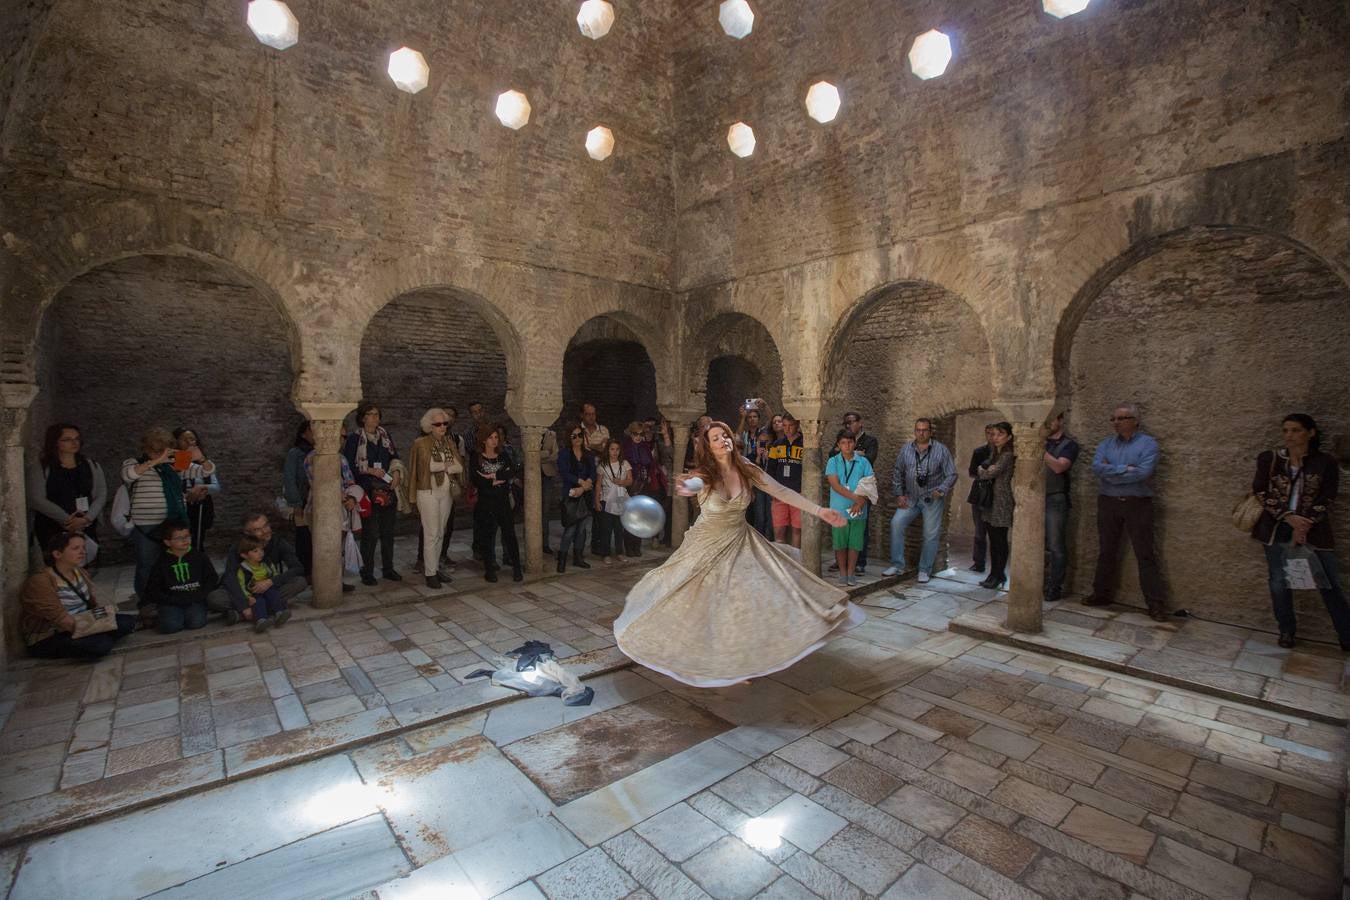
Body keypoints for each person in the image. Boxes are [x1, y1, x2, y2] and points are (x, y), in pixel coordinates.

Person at [613, 421, 863, 687]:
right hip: (706, 546)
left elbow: (781, 491)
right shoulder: (706, 473)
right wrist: (689, 487)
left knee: (744, 602)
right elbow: (697, 482)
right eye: (716, 438)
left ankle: (742, 660)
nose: (723, 441)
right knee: (695, 601)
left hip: (740, 541)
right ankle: (705, 655)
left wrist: (819, 511)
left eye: (726, 435)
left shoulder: (746, 468)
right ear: (708, 447)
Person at [1251, 414, 1349, 650]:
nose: (1289, 436)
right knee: (1278, 582)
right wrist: (1289, 518)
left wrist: (1304, 524)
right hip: (1278, 527)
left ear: (1311, 433)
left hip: (1314, 530)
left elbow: (1327, 497)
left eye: (1295, 430)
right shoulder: (1270, 459)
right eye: (1286, 430)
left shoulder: (1324, 462)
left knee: (1328, 582)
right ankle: (1286, 630)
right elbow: (1261, 491)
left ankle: (1346, 635)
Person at [1084, 402, 1166, 621]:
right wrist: (1124, 469)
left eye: (1121, 418)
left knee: (1145, 554)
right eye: (1114, 419)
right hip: (1108, 502)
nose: (1116, 423)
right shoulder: (1106, 444)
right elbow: (1097, 468)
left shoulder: (1148, 444)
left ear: (1135, 421)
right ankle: (1101, 594)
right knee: (1106, 551)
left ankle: (1155, 603)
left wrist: (1113, 472)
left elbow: (1144, 472)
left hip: (1137, 503)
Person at [122, 427, 207, 601]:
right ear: (146, 448)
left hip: (173, 523)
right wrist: (157, 461)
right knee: (146, 565)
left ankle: (172, 598)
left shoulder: (175, 463)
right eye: (155, 450)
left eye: (163, 449)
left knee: (173, 563)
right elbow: (129, 475)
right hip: (146, 526)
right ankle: (147, 603)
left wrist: (202, 459)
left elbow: (205, 472)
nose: (160, 453)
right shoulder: (134, 462)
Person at [22, 531, 136, 659]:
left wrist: (103, 619)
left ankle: (97, 639)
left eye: (83, 548)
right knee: (100, 645)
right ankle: (95, 641)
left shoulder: (79, 572)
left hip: (84, 618)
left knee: (127, 621)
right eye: (76, 548)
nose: (82, 552)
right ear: (57, 554)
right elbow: (62, 620)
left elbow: (91, 605)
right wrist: (98, 627)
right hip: (55, 632)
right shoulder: (41, 581)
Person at [883, 418, 957, 583]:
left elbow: (952, 474)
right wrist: (899, 494)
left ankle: (924, 570)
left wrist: (942, 489)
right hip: (910, 497)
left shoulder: (941, 450)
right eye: (918, 430)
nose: (921, 433)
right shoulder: (906, 449)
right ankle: (897, 564)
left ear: (930, 432)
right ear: (914, 431)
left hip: (931, 498)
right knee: (896, 523)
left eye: (924, 430)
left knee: (930, 534)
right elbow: (897, 472)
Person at [343, 401, 402, 586]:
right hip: (368, 489)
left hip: (386, 489)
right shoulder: (355, 439)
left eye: (377, 414)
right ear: (362, 418)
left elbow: (394, 457)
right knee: (371, 533)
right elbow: (349, 465)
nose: (375, 417)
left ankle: (388, 568)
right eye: (370, 414)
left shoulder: (384, 436)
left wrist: (397, 472)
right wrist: (368, 470)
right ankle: (367, 571)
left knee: (388, 531)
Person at [214, 511, 309, 625]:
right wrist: (243, 604)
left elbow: (297, 568)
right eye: (258, 529)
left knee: (300, 582)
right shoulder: (239, 547)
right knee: (215, 598)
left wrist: (270, 581)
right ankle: (275, 608)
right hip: (247, 592)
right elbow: (230, 577)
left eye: (266, 525)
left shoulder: (278, 542)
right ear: (247, 533)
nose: (265, 531)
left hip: (270, 589)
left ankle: (243, 615)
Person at [407, 407, 466, 589]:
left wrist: (443, 466)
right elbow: (427, 468)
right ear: (429, 426)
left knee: (441, 532)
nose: (442, 427)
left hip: (445, 492)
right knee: (431, 533)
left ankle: (436, 568)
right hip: (427, 492)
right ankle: (430, 573)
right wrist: (445, 465)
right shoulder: (421, 443)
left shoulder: (449, 442)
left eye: (445, 423)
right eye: (438, 424)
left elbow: (459, 467)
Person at [27, 423, 106, 556]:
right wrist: (66, 520)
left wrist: (87, 519)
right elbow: (36, 498)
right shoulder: (41, 467)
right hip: (52, 525)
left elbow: (101, 493)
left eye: (77, 438)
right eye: (67, 439)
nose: (74, 443)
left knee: (82, 564)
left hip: (85, 524)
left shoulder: (91, 465)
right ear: (55, 442)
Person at [305, 425, 356, 593]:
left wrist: (351, 498)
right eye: (340, 437)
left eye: (344, 437)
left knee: (338, 548)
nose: (342, 441)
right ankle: (322, 585)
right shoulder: (313, 457)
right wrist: (341, 495)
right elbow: (320, 484)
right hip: (319, 509)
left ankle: (336, 581)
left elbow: (349, 481)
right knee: (323, 548)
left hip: (341, 509)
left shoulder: (342, 458)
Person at [144, 520, 217, 634]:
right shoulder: (162, 561)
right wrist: (169, 600)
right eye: (179, 538)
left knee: (196, 623)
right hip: (171, 601)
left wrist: (201, 594)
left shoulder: (199, 556)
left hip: (194, 598)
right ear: (168, 542)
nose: (185, 540)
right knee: (171, 627)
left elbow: (211, 577)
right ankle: (159, 616)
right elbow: (153, 588)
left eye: (187, 536)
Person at [830, 413, 881, 573]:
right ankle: (841, 565)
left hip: (861, 495)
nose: (848, 425)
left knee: (859, 533)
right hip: (841, 501)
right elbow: (832, 455)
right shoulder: (835, 459)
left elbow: (870, 459)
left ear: (860, 423)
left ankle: (860, 563)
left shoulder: (870, 441)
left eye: (852, 422)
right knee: (840, 537)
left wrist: (860, 500)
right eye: (846, 423)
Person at [472, 426, 522, 582]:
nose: (494, 440)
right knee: (487, 535)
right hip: (486, 501)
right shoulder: (476, 456)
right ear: (483, 439)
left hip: (503, 500)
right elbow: (475, 478)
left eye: (496, 437)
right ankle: (489, 568)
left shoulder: (503, 454)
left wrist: (494, 475)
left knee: (509, 534)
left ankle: (517, 567)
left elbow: (512, 470)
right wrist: (492, 483)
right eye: (491, 437)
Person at [825, 429, 873, 586]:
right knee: (840, 543)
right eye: (843, 443)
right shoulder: (833, 461)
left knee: (855, 543)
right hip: (839, 509)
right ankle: (842, 573)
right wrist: (855, 498)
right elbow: (835, 485)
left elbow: (869, 484)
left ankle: (851, 573)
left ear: (854, 443)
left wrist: (860, 503)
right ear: (838, 445)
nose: (847, 445)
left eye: (850, 442)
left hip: (859, 510)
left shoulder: (863, 462)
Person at [974, 422, 1016, 590]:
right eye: (994, 434)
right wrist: (984, 469)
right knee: (993, 538)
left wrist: (982, 470)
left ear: (1009, 437)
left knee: (1000, 539)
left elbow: (988, 471)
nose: (996, 437)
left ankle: (999, 574)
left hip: (1001, 500)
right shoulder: (994, 452)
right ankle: (994, 573)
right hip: (991, 499)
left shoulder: (1007, 454)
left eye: (1000, 434)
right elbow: (985, 467)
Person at [1043, 412, 1080, 602]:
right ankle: (1037, 582)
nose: (1047, 423)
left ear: (1060, 420)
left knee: (1056, 545)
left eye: (1051, 419)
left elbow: (1059, 467)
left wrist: (1037, 448)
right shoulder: (1044, 442)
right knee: (1037, 544)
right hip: (1035, 498)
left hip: (1055, 499)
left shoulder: (1069, 445)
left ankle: (1054, 586)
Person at [173, 427, 221, 551]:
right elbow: (177, 478)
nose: (190, 443)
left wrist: (202, 487)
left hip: (200, 508)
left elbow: (216, 487)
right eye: (184, 440)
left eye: (192, 439)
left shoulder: (205, 464)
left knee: (197, 542)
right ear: (176, 442)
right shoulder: (171, 462)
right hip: (180, 508)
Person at [234, 534, 294, 632]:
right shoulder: (243, 569)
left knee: (274, 594)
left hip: (269, 589)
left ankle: (279, 613)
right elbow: (241, 585)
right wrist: (248, 597)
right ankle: (261, 621)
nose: (260, 553)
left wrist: (272, 582)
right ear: (244, 555)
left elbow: (275, 575)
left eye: (261, 550)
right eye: (255, 551)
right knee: (259, 602)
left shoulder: (267, 563)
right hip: (254, 593)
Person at [557, 424, 597, 573]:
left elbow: (593, 473)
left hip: (585, 494)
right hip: (571, 494)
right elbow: (564, 472)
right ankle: (561, 560)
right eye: (574, 436)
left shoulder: (588, 454)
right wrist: (581, 483)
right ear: (569, 437)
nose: (577, 438)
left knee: (582, 529)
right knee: (570, 528)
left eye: (580, 435)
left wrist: (585, 486)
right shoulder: (564, 453)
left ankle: (578, 558)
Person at [767, 414, 805, 548]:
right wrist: (772, 491)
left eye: (791, 425)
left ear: (798, 425)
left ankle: (795, 562)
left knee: (797, 529)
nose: (787, 429)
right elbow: (770, 470)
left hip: (798, 493)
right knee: (779, 530)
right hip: (780, 493)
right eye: (785, 426)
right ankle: (782, 561)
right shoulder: (777, 445)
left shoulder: (805, 444)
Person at [283, 420, 315, 577]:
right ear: (303, 433)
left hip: (317, 500)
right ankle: (305, 571)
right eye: (312, 429)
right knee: (304, 538)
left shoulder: (318, 451)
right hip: (302, 500)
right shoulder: (295, 453)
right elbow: (289, 479)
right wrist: (296, 503)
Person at [595, 438, 634, 565]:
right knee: (606, 528)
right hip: (606, 498)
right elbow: (598, 484)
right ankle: (605, 554)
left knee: (619, 527)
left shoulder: (625, 464)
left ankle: (619, 552)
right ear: (608, 450)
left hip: (620, 498)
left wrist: (621, 482)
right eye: (612, 449)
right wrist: (597, 500)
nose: (615, 452)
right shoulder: (603, 465)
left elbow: (630, 480)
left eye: (617, 449)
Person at [965, 424, 995, 574]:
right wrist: (983, 474)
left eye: (993, 433)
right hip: (979, 494)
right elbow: (972, 472)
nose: (991, 436)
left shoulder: (1003, 453)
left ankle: (996, 569)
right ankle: (979, 563)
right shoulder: (979, 451)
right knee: (979, 532)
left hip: (996, 494)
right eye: (988, 433)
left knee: (995, 533)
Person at [540, 426, 559, 554]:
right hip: (533, 474)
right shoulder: (529, 431)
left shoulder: (551, 434)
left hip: (547, 475)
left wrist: (542, 455)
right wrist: (545, 453)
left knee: (545, 511)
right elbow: (529, 454)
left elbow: (554, 455)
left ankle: (545, 544)